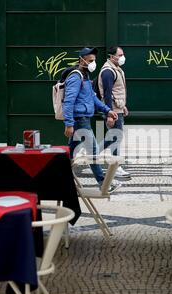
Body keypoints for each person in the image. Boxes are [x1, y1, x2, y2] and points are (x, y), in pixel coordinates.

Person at [62, 47, 121, 191]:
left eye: (93, 60)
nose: (92, 63)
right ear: (81, 60)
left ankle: (60, 180)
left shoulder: (85, 76)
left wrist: (108, 110)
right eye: (90, 60)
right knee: (93, 152)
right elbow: (68, 102)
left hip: (83, 119)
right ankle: (103, 184)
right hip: (79, 119)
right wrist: (69, 124)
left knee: (71, 153)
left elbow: (93, 98)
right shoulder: (76, 77)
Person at [97, 46, 131, 178]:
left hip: (118, 109)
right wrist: (109, 114)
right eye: (120, 55)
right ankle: (114, 165)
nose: (123, 57)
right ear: (112, 57)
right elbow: (106, 94)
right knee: (114, 138)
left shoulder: (116, 69)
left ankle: (95, 154)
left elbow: (118, 91)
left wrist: (123, 106)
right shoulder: (108, 72)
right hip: (113, 112)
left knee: (114, 138)